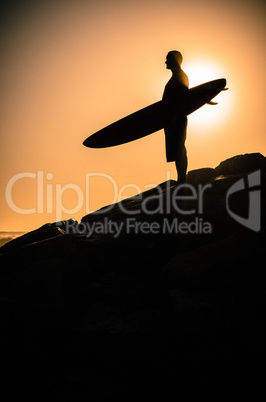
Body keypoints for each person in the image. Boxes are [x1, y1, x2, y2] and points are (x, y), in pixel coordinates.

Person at [162, 50, 189, 183]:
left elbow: (181, 98)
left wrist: (173, 118)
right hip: (172, 119)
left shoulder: (180, 76)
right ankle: (181, 179)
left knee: (179, 150)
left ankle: (182, 180)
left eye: (168, 59)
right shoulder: (177, 76)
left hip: (176, 119)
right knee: (177, 150)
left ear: (174, 60)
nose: (166, 61)